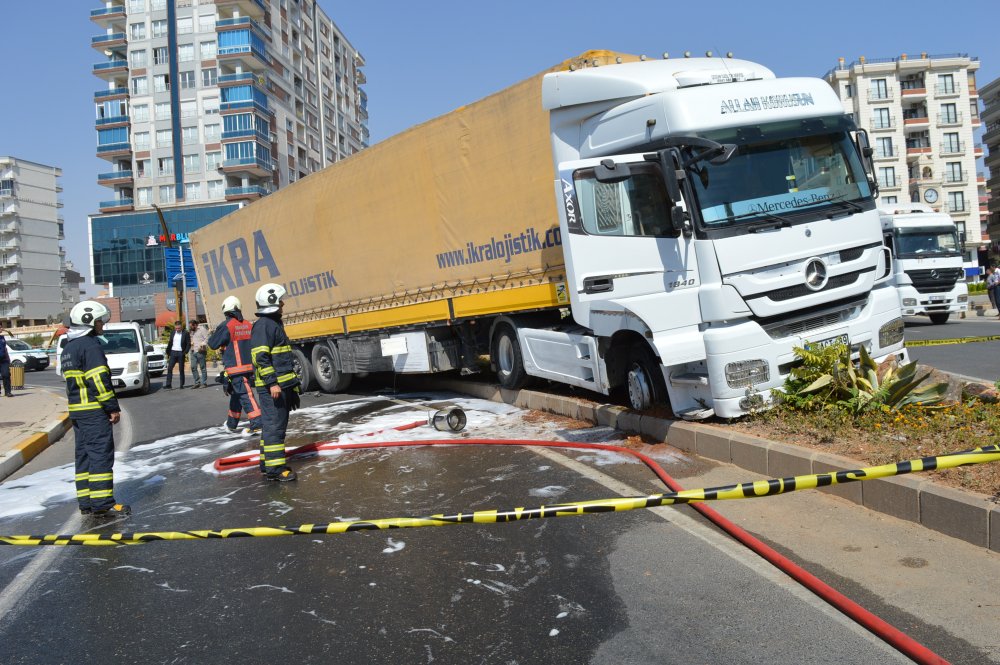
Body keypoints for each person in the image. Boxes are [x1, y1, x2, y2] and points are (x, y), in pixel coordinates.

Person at [61, 301, 130, 517]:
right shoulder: (90, 346)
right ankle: (102, 503)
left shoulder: (69, 347)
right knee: (100, 455)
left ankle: (87, 502)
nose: (102, 325)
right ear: (89, 322)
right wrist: (112, 407)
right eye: (100, 321)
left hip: (77, 412)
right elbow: (99, 380)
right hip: (94, 412)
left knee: (84, 457)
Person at [251, 283, 300, 481]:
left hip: (281, 386)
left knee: (273, 425)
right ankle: (276, 469)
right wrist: (272, 383)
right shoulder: (264, 325)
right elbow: (260, 357)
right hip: (273, 388)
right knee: (274, 427)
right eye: (280, 301)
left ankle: (267, 463)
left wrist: (292, 389)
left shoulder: (272, 324)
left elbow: (281, 360)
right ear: (272, 302)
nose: (283, 304)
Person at [208, 296, 262, 435]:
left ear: (226, 310)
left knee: (245, 395)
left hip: (235, 368)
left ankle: (257, 423)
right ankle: (231, 424)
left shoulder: (227, 325)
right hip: (249, 367)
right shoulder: (248, 324)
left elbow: (213, 344)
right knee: (237, 394)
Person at [163, 319, 190, 389]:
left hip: (181, 352)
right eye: (176, 328)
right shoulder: (173, 332)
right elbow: (170, 342)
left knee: (181, 369)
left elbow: (188, 344)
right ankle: (168, 384)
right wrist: (168, 351)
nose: (177, 329)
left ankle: (181, 384)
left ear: (181, 327)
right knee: (169, 368)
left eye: (179, 328)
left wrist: (185, 352)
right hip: (173, 352)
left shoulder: (185, 333)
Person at [188, 319, 209, 388]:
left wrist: (203, 344)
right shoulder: (191, 331)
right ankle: (197, 382)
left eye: (191, 326)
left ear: (195, 325)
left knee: (202, 367)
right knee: (193, 367)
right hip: (193, 351)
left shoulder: (202, 329)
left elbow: (207, 338)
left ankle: (204, 383)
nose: (190, 327)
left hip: (201, 351)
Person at [0, 329, 11, 398]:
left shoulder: (2, 338)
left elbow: (5, 348)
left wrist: (8, 358)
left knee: (6, 375)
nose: (1, 328)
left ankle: (8, 392)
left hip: (4, 360)